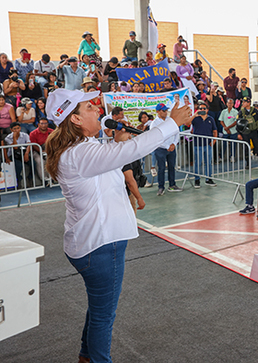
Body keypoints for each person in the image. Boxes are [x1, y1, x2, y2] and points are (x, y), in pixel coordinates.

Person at [43, 88, 190, 363]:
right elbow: (134, 149)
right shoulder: (81, 153)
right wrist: (172, 123)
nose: (97, 109)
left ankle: (86, 356)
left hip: (89, 242)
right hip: (101, 245)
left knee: (98, 308)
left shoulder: (76, 150)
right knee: (103, 316)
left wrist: (115, 145)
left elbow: (107, 162)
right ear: (74, 119)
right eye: (89, 108)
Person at [149, 103, 183, 195]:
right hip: (161, 149)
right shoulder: (154, 123)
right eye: (163, 111)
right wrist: (168, 146)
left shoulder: (171, 120)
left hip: (171, 147)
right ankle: (161, 187)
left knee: (172, 167)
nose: (166, 112)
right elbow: (156, 137)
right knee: (161, 168)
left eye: (166, 110)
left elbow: (177, 132)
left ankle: (172, 185)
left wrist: (174, 143)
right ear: (158, 112)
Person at [190, 102, 218, 188]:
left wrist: (213, 141)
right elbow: (187, 123)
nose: (202, 110)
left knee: (208, 162)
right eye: (200, 109)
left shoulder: (211, 119)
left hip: (208, 145)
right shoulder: (195, 119)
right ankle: (197, 180)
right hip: (197, 145)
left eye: (204, 109)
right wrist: (194, 115)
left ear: (207, 110)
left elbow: (215, 131)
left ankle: (208, 179)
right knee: (197, 163)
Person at [3, 122, 32, 188]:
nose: (16, 130)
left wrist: (26, 154)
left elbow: (29, 145)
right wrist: (14, 137)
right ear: (11, 130)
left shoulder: (25, 135)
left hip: (23, 153)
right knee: (18, 166)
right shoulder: (8, 138)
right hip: (13, 155)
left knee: (33, 163)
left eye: (18, 128)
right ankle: (19, 182)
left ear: (20, 128)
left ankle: (30, 179)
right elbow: (15, 147)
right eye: (14, 129)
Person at [236, 97, 258, 164]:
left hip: (254, 131)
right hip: (245, 132)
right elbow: (238, 123)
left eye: (244, 102)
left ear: (248, 103)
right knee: (246, 147)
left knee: (257, 146)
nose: (243, 103)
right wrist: (238, 133)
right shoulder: (241, 112)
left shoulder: (255, 111)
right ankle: (248, 162)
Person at [29, 118, 53, 183]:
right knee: (40, 161)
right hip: (37, 151)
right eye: (42, 123)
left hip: (49, 150)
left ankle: (52, 178)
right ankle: (44, 179)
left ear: (48, 124)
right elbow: (34, 145)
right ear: (38, 124)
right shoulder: (33, 133)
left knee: (51, 160)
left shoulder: (52, 132)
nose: (43, 125)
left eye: (45, 123)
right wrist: (41, 151)